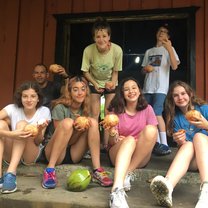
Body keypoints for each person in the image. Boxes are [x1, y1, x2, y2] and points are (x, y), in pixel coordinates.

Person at [41, 75, 113, 189]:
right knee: (68, 122)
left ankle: (97, 170)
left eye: (83, 89)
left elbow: (75, 141)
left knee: (93, 122)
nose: (80, 93)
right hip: (55, 152)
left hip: (74, 153)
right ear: (69, 92)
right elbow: (63, 141)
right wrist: (77, 129)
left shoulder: (86, 109)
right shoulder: (60, 108)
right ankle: (49, 170)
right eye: (75, 89)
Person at [150, 80, 208, 208]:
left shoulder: (204, 109)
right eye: (176, 95)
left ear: (190, 94)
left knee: (199, 136)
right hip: (197, 161)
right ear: (172, 99)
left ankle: (206, 189)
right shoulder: (175, 118)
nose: (180, 97)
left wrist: (206, 125)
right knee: (187, 145)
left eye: (183, 93)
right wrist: (181, 142)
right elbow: (186, 151)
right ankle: (168, 187)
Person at [102, 77, 158, 208]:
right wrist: (113, 134)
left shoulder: (148, 109)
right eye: (126, 89)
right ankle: (116, 191)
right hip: (118, 153)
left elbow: (152, 137)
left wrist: (134, 141)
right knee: (129, 140)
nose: (131, 91)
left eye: (134, 88)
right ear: (122, 93)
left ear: (139, 91)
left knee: (151, 130)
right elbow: (111, 142)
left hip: (139, 157)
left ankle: (128, 172)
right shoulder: (115, 110)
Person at [0, 81, 51, 193]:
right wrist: (11, 134)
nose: (29, 100)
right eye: (25, 96)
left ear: (38, 98)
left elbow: (38, 141)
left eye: (33, 96)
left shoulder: (44, 111)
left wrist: (40, 130)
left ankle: (11, 174)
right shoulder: (12, 108)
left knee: (21, 124)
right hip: (13, 151)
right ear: (20, 98)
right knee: (1, 125)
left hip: (30, 153)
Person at [81, 17, 123, 150]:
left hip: (110, 82)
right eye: (98, 36)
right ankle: (92, 144)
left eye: (104, 36)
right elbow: (85, 72)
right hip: (94, 81)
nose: (101, 39)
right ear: (94, 38)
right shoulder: (88, 50)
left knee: (109, 113)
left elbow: (116, 71)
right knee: (94, 113)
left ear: (109, 36)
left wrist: (112, 83)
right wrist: (95, 83)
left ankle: (107, 144)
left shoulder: (117, 50)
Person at [141, 24, 180, 156]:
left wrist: (169, 48)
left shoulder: (169, 49)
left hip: (161, 88)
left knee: (157, 113)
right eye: (159, 31)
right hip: (148, 88)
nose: (161, 33)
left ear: (168, 37)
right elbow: (142, 70)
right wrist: (145, 69)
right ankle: (156, 143)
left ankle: (164, 143)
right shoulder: (149, 51)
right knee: (147, 115)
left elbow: (174, 66)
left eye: (164, 32)